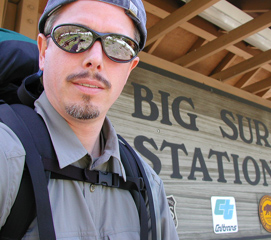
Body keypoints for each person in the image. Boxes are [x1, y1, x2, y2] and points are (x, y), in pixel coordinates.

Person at [0, 0, 179, 239]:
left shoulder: (147, 183)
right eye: (74, 36)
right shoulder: (6, 157)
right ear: (43, 51)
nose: (96, 59)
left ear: (129, 69)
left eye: (119, 46)